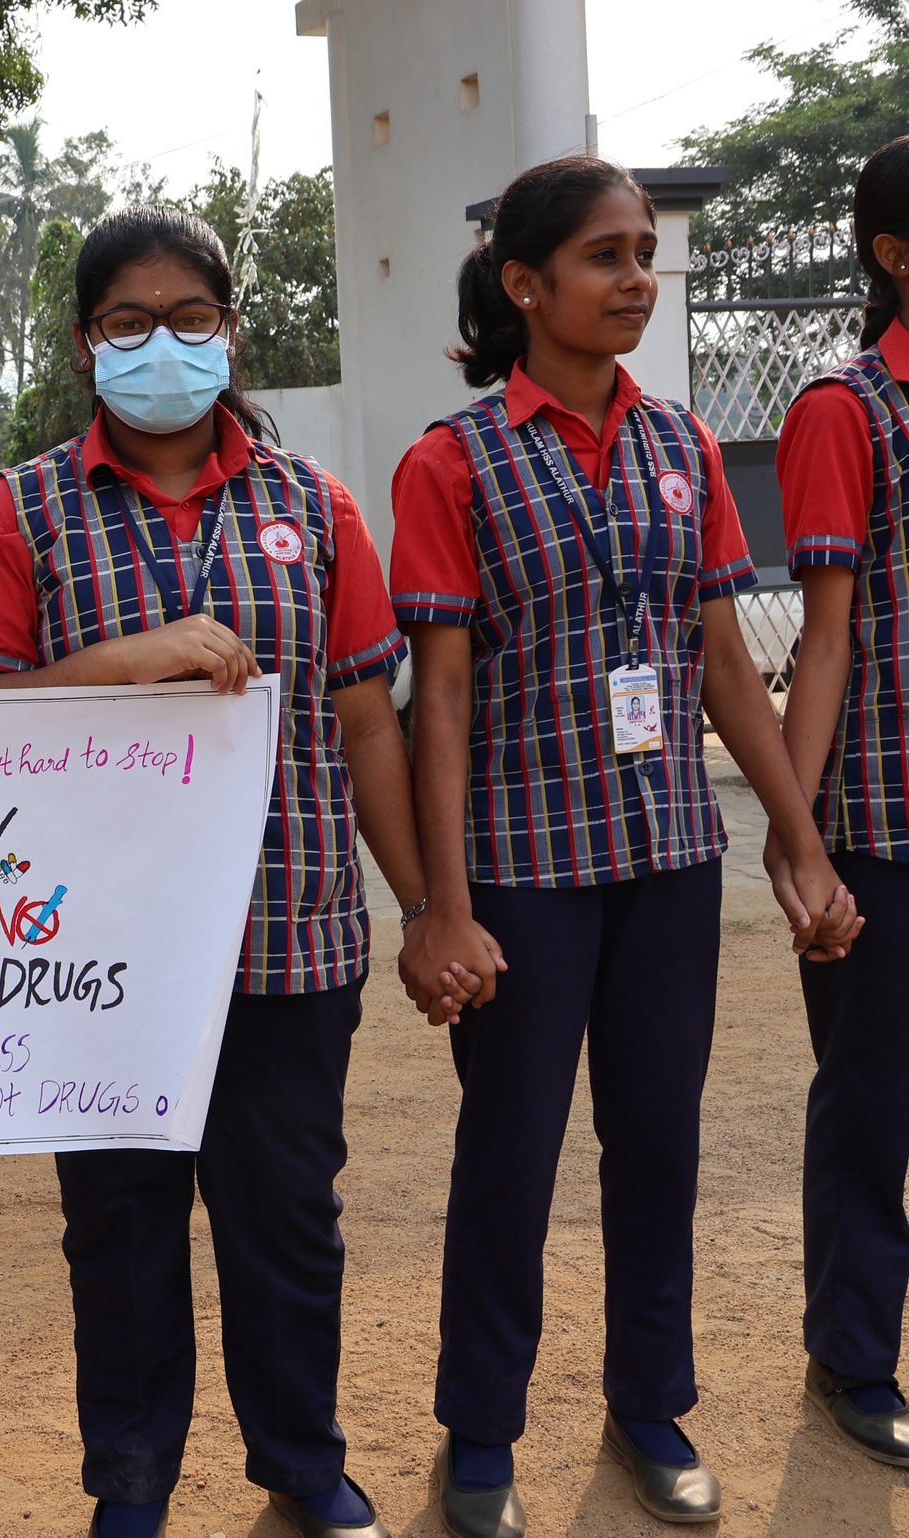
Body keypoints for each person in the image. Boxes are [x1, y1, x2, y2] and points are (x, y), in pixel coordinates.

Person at [0, 204, 503, 1538]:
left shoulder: (315, 508)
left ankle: (302, 1458)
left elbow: (368, 723)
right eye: (129, 322)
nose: (162, 345)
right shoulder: (23, 519)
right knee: (120, 1232)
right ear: (86, 346)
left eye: (190, 318)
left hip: (289, 942)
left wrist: (424, 908)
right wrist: (120, 663)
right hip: (96, 967)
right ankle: (130, 1483)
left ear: (230, 332)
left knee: (289, 1222)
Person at [391, 156, 861, 1538]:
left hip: (664, 859)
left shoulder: (684, 448)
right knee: (512, 1155)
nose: (636, 279)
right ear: (525, 285)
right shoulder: (451, 460)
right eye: (605, 256)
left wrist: (797, 836)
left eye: (645, 253)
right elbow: (446, 696)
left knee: (655, 1143)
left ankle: (651, 1403)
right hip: (526, 876)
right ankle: (481, 1428)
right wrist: (443, 905)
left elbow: (720, 661)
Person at [773, 131, 909, 1469]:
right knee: (875, 1098)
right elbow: (822, 640)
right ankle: (856, 1354)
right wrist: (801, 836)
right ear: (895, 254)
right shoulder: (844, 411)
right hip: (886, 813)